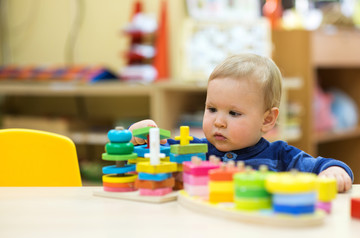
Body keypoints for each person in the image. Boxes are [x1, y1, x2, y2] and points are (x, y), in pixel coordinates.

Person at [129, 53, 353, 192]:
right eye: (212, 109)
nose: (218, 121)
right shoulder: (192, 150)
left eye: (233, 113)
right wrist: (142, 138)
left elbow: (321, 166)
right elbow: (154, 156)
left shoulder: (280, 155)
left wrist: (333, 171)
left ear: (267, 120)